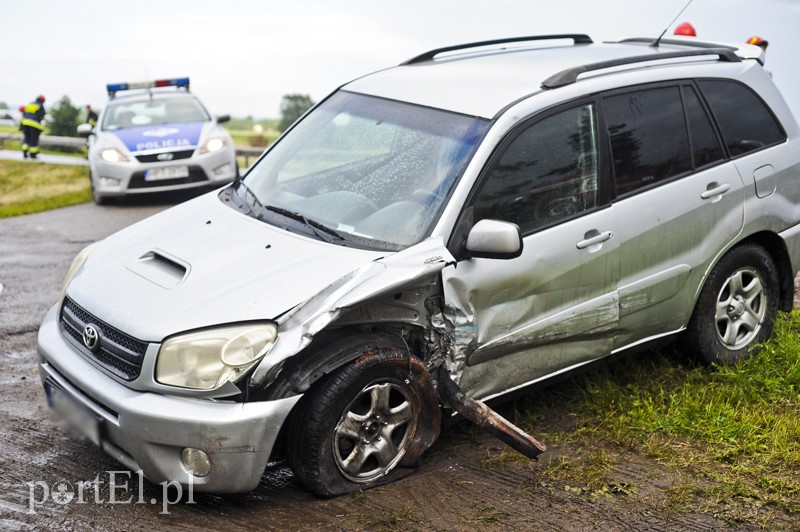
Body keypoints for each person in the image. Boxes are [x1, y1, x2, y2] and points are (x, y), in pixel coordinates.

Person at [20, 95, 46, 159]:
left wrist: (21, 126)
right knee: (34, 139)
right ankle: (33, 154)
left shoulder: (30, 104)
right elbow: (42, 115)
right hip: (34, 124)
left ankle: (25, 151)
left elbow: (24, 114)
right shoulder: (40, 105)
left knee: (26, 137)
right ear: (42, 101)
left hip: (25, 123)